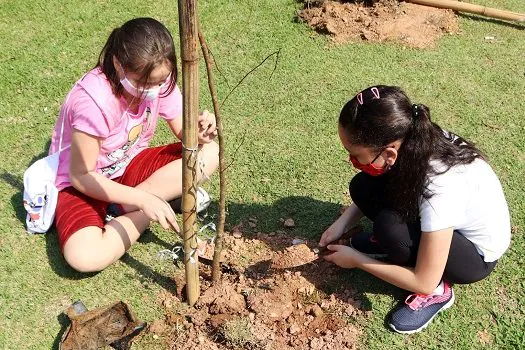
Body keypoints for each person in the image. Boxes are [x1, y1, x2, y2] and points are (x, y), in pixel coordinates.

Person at [319, 85, 511, 334]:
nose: (351, 160)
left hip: (473, 256)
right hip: (445, 218)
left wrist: (357, 261)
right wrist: (341, 223)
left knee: (391, 230)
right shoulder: (412, 137)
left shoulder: (440, 183)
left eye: (354, 154)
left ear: (389, 152)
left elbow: (423, 279)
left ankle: (439, 293)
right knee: (363, 186)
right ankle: (399, 248)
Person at [49, 18, 219, 273]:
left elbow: (185, 132)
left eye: (160, 82)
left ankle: (127, 208)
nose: (154, 90)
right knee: (84, 257)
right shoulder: (94, 103)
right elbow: (81, 175)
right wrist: (144, 201)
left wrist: (200, 133)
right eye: (144, 83)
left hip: (129, 166)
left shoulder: (160, 78)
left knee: (210, 153)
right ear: (118, 63)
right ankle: (146, 209)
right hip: (84, 184)